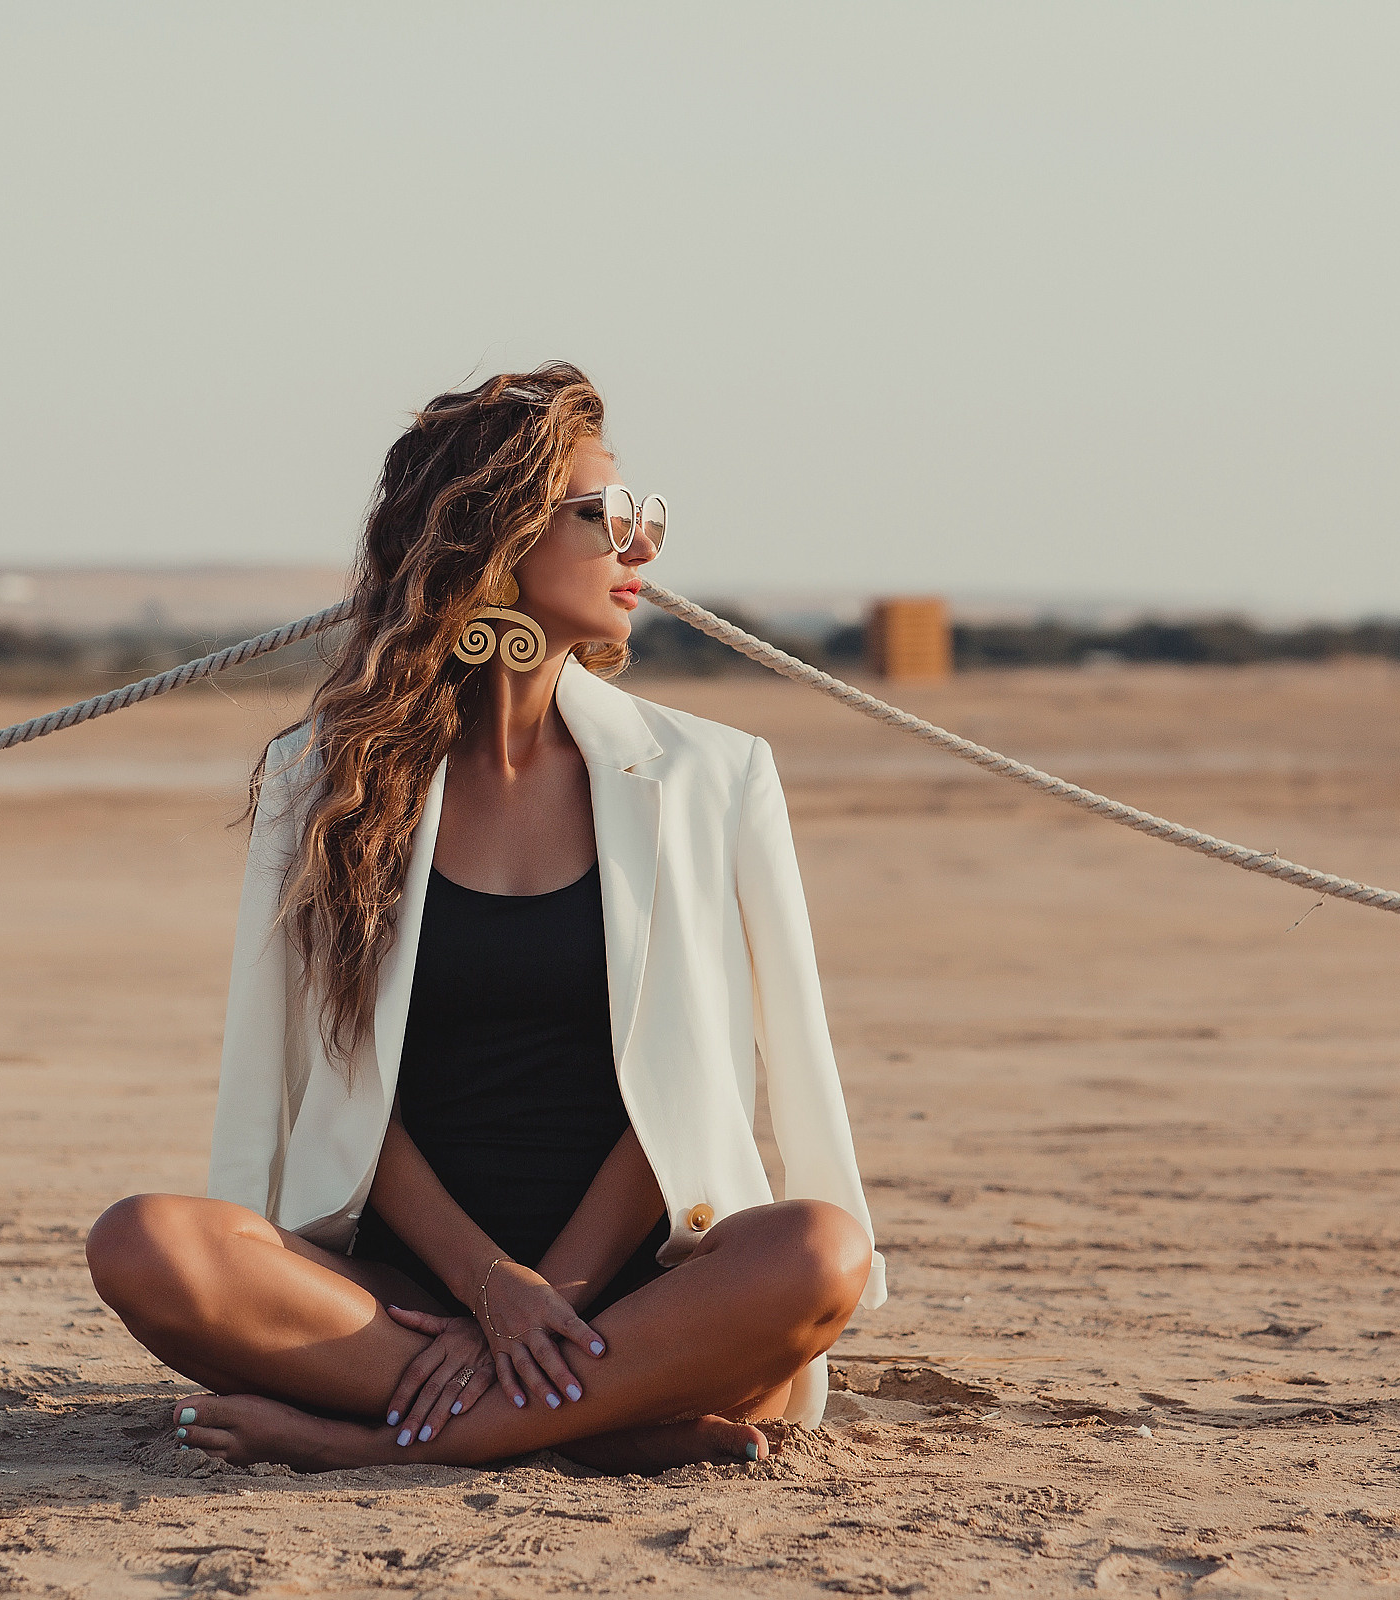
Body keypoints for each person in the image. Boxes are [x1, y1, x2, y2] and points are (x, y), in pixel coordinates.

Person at [85, 363, 885, 1473]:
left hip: (649, 1290)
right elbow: (345, 1078)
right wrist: (486, 1288)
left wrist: (546, 1294)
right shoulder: (326, 780)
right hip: (406, 1295)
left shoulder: (712, 775)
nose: (642, 546)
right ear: (493, 533)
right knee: (145, 1243)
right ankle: (605, 1429)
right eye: (608, 516)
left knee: (818, 1250)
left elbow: (699, 1076)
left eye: (648, 516)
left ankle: (370, 1446)